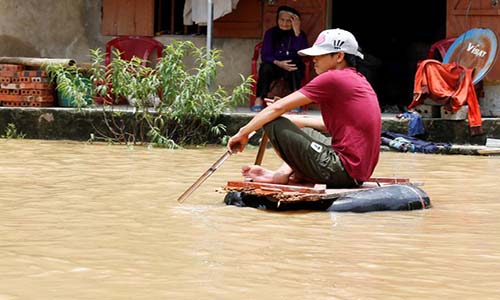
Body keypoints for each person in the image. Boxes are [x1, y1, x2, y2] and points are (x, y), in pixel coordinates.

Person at [228, 28, 381, 188]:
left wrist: (242, 133)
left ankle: (284, 174)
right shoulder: (357, 79)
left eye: (320, 54)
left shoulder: (333, 78)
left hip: (343, 171)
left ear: (339, 56)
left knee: (272, 123)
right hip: (357, 172)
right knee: (297, 128)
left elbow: (276, 108)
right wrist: (286, 118)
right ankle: (283, 173)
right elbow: (324, 125)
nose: (314, 59)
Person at [251, 5, 309, 112]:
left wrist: (297, 33)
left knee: (294, 66)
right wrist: (279, 63)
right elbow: (265, 55)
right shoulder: (270, 33)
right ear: (277, 20)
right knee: (265, 67)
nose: (284, 23)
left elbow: (302, 53)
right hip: (275, 65)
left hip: (292, 66)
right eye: (282, 20)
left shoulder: (300, 35)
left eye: (288, 21)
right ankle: (259, 99)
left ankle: (295, 101)